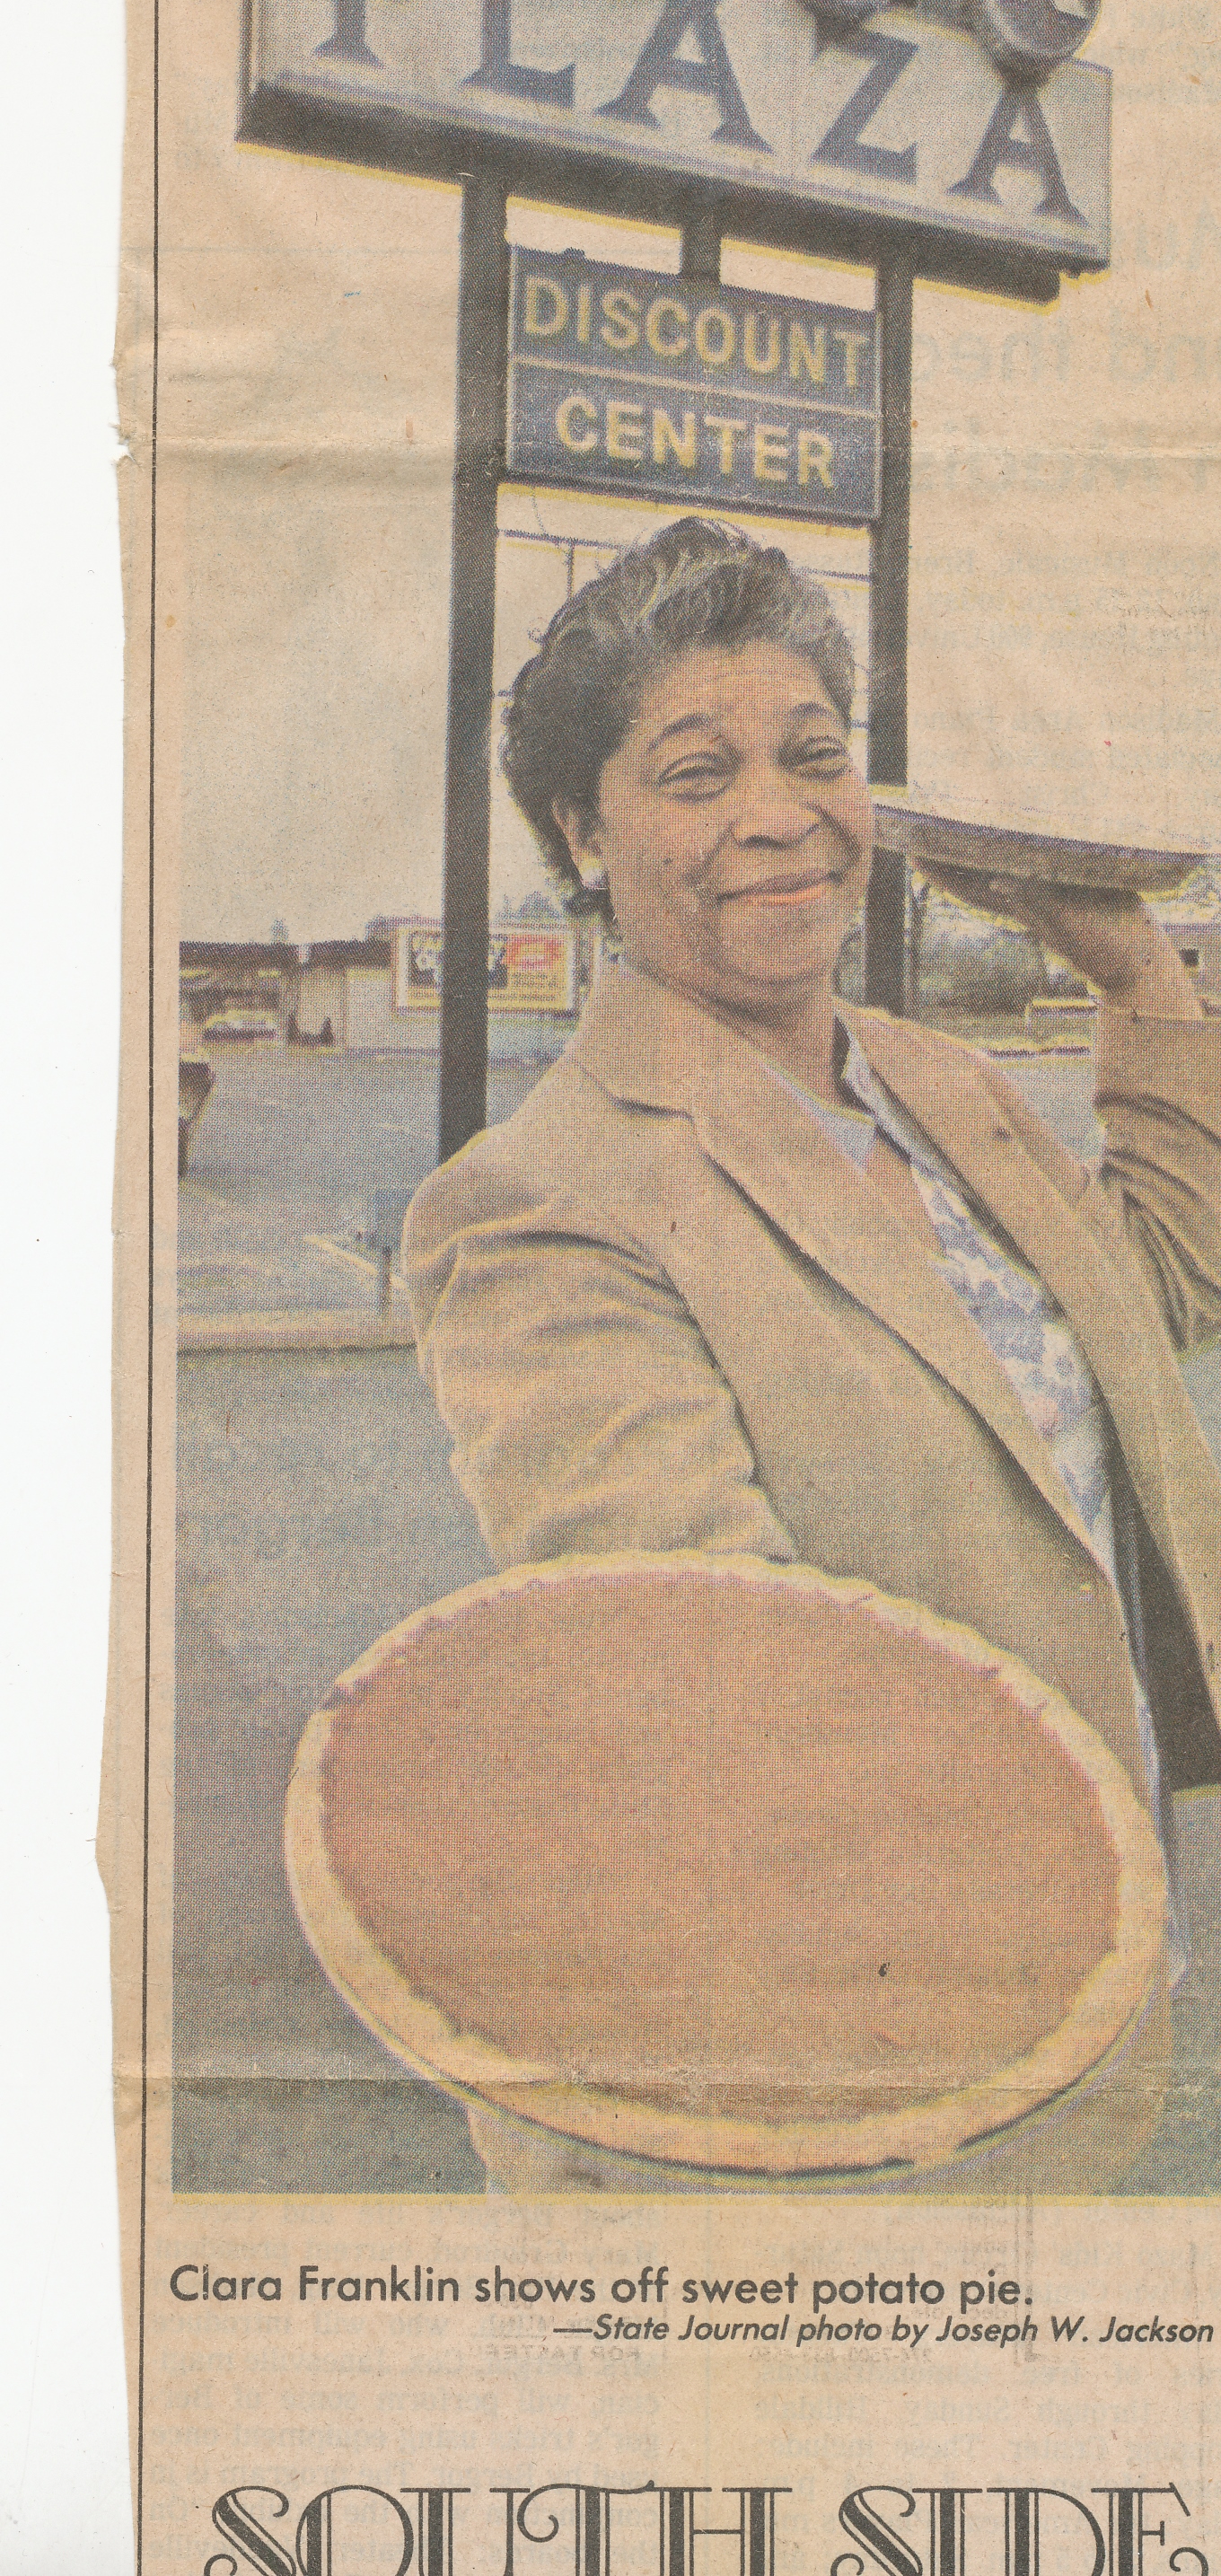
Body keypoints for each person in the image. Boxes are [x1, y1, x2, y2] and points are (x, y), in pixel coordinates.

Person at [403, 514, 1221, 2185]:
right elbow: (717, 1668)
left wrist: (1132, 965)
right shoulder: (535, 1204)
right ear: (582, 831)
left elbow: (1175, 1286)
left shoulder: (938, 1082)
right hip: (840, 2052)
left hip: (1089, 1966)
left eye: (815, 755)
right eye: (695, 774)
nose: (776, 814)